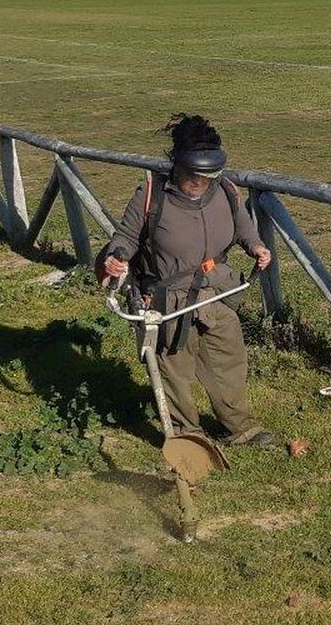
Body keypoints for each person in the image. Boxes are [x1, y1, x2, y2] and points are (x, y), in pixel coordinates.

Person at [99, 113, 275, 448]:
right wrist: (117, 257)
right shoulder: (152, 196)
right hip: (169, 299)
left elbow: (242, 226)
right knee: (174, 367)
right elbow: (125, 237)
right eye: (191, 175)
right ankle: (186, 434)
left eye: (205, 177)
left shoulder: (226, 191)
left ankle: (239, 426)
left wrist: (256, 246)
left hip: (217, 292)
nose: (197, 183)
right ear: (177, 165)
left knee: (228, 358)